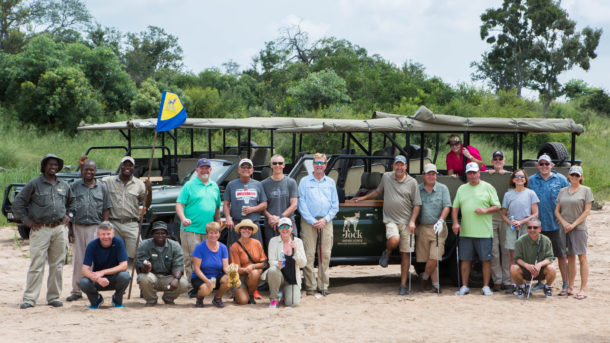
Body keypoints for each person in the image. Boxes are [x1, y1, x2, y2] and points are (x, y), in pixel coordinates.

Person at [353, 155, 422, 295]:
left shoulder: (412, 182)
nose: (399, 167)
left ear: (406, 167)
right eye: (397, 164)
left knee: (406, 254)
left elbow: (417, 204)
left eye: (401, 165)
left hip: (407, 222)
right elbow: (378, 192)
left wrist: (413, 221)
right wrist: (362, 198)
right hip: (390, 219)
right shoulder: (386, 177)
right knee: (394, 239)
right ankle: (388, 252)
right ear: (393, 166)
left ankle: (403, 285)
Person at [13, 154, 74, 309]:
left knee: (58, 264)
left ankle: (54, 297)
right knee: (36, 264)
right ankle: (30, 298)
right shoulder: (34, 184)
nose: (53, 167)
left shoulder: (64, 185)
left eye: (56, 165)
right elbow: (18, 203)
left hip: (59, 229)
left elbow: (72, 203)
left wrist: (69, 216)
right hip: (40, 229)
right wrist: (27, 221)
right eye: (50, 164)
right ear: (44, 166)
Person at [452, 162, 500, 296]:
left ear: (479, 173)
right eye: (469, 173)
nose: (472, 175)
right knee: (465, 259)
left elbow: (497, 206)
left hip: (484, 232)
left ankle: (485, 286)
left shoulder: (488, 187)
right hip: (466, 231)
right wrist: (455, 222)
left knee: (485, 259)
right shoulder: (462, 188)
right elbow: (455, 207)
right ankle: (465, 286)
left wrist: (485, 210)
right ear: (466, 174)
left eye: (474, 172)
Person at [67, 159, 112, 302]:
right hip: (78, 226)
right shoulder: (74, 187)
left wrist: (104, 229)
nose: (89, 172)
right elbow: (69, 209)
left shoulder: (102, 187)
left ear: (95, 171)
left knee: (93, 260)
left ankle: (92, 289)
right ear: (82, 170)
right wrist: (70, 229)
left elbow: (106, 208)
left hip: (95, 226)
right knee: (79, 260)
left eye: (92, 170)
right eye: (86, 169)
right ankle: (76, 290)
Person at [176, 158, 221, 296]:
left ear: (210, 170)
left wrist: (218, 224)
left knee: (206, 259)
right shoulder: (189, 185)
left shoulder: (214, 186)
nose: (204, 170)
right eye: (202, 168)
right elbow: (179, 204)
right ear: (197, 170)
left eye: (207, 168)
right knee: (191, 258)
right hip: (191, 229)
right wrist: (183, 218)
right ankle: (192, 288)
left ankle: (206, 285)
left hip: (209, 232)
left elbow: (217, 207)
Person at [528, 154, 570, 295]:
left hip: (555, 225)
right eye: (541, 164)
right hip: (538, 225)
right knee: (539, 256)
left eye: (547, 164)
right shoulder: (532, 180)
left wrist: (564, 215)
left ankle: (565, 283)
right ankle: (541, 282)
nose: (544, 166)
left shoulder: (561, 179)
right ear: (538, 165)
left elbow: (570, 196)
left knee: (561, 255)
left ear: (551, 165)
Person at [298, 153, 339, 296]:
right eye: (317, 163)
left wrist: (325, 219)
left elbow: (335, 205)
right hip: (309, 222)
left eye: (322, 163)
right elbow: (301, 203)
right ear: (313, 164)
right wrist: (312, 220)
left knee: (325, 254)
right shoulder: (304, 181)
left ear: (326, 165)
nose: (319, 165)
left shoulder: (330, 182)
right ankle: (310, 286)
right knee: (309, 254)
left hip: (326, 222)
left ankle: (323, 286)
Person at [554, 166, 593, 300]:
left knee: (582, 257)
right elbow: (557, 211)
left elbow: (587, 211)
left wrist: (574, 224)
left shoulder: (586, 191)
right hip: (564, 228)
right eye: (572, 175)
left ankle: (583, 288)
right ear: (569, 176)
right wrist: (564, 223)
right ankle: (570, 287)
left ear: (581, 177)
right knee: (570, 256)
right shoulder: (562, 191)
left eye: (577, 175)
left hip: (579, 228)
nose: (575, 177)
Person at [101, 156, 151, 260]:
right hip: (113, 223)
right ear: (121, 166)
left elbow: (147, 205)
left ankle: (134, 275)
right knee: (112, 254)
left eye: (130, 165)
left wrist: (149, 190)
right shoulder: (108, 181)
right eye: (125, 165)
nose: (127, 167)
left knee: (137, 253)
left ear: (134, 168)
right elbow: (92, 182)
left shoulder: (139, 184)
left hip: (131, 223)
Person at [501, 169, 539, 294]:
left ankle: (527, 283)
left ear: (525, 179)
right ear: (513, 179)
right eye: (516, 176)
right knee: (513, 257)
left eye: (522, 177)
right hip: (512, 229)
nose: (519, 178)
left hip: (527, 228)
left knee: (527, 256)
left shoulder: (530, 193)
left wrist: (521, 222)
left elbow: (535, 213)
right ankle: (514, 283)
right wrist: (511, 222)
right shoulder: (508, 195)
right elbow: (504, 214)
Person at [415, 164, 450, 293]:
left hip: (438, 228)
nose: (431, 176)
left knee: (434, 257)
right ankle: (436, 285)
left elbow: (447, 206)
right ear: (423, 175)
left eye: (433, 174)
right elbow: (414, 207)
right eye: (428, 174)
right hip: (423, 228)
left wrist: (441, 220)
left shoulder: (443, 188)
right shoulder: (418, 189)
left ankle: (424, 278)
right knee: (427, 259)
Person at [136, 221, 189, 306]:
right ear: (152, 234)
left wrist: (176, 279)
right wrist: (146, 268)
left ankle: (168, 298)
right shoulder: (144, 245)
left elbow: (178, 266)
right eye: (157, 233)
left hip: (167, 279)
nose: (160, 235)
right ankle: (151, 300)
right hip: (152, 277)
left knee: (184, 282)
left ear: (166, 234)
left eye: (163, 233)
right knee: (143, 278)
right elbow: (139, 266)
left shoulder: (175, 245)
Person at [79, 221, 131, 309]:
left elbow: (124, 266)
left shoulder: (118, 242)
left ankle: (117, 299)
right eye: (103, 234)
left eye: (108, 234)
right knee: (83, 282)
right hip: (98, 279)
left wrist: (103, 272)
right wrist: (98, 279)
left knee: (125, 276)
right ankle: (96, 300)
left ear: (113, 234)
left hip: (114, 278)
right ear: (98, 234)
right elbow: (84, 270)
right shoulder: (92, 245)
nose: (106, 237)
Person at [224, 158, 268, 248]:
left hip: (253, 224)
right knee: (234, 250)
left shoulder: (258, 185)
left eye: (248, 167)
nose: (246, 169)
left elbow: (264, 204)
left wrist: (253, 209)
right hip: (237, 223)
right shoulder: (231, 185)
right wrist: (228, 218)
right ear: (238, 170)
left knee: (255, 250)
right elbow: (226, 204)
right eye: (243, 166)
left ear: (252, 170)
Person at [264, 217, 307, 308]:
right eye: (281, 226)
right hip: (278, 275)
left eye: (287, 226)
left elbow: (303, 264)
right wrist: (278, 264)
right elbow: (271, 262)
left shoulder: (298, 242)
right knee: (272, 270)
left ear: (291, 228)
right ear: (278, 229)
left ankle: (284, 293)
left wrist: (295, 250)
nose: (284, 229)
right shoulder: (273, 241)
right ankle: (274, 299)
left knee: (293, 303)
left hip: (292, 279)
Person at [510, 218, 556, 298]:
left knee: (552, 268)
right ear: (526, 229)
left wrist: (540, 264)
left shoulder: (546, 240)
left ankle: (547, 287)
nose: (532, 230)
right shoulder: (520, 241)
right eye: (529, 227)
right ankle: (522, 287)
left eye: (535, 227)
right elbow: (517, 259)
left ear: (540, 229)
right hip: (525, 270)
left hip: (541, 270)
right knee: (513, 268)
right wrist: (527, 265)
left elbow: (550, 258)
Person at [261, 154, 299, 250]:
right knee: (273, 252)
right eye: (275, 163)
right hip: (271, 224)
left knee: (291, 251)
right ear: (271, 165)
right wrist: (270, 217)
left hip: (288, 223)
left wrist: (280, 218)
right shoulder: (263, 184)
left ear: (284, 165)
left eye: (280, 163)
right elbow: (261, 206)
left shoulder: (291, 182)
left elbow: (294, 205)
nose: (277, 165)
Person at [486, 151, 511, 291]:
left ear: (504, 160)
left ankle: (507, 280)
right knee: (494, 251)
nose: (497, 161)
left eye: (500, 159)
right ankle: (497, 280)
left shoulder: (509, 175)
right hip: (491, 218)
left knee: (506, 250)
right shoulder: (486, 175)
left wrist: (504, 173)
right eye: (495, 159)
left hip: (506, 218)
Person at [191, 221, 231, 308]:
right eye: (211, 233)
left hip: (216, 276)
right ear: (207, 234)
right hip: (200, 277)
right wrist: (207, 281)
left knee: (230, 279)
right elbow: (197, 269)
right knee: (206, 289)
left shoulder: (223, 247)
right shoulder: (199, 247)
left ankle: (217, 298)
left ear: (219, 234)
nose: (213, 235)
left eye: (216, 233)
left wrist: (231, 273)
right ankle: (200, 297)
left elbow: (225, 267)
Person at [229, 219, 268, 305]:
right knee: (243, 301)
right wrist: (245, 269)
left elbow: (264, 263)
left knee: (255, 273)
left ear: (252, 231)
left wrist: (252, 267)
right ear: (239, 230)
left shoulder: (257, 243)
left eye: (249, 228)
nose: (246, 230)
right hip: (240, 277)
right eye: (244, 228)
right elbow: (236, 269)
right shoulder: (234, 247)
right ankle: (238, 294)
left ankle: (251, 295)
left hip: (253, 274)